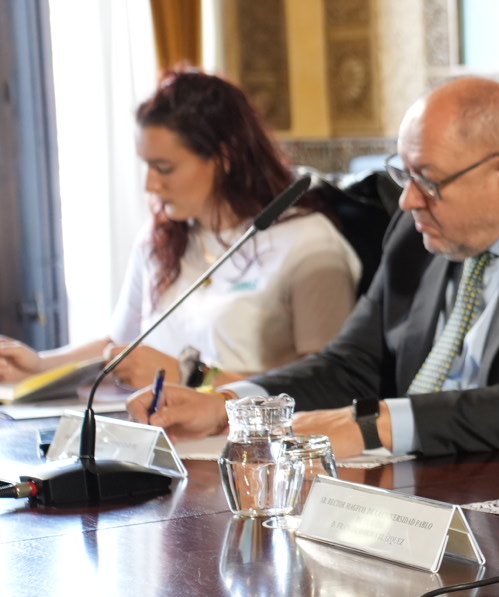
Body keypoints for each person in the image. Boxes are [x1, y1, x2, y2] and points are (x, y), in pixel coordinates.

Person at [131, 76, 499, 460]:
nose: (407, 200)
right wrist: (229, 405)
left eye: (427, 179)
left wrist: (376, 425)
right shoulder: (415, 231)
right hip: (445, 482)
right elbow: (351, 364)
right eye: (402, 174)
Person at [0, 69, 360, 391]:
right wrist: (41, 366)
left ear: (224, 157)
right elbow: (120, 345)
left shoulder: (310, 245)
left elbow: (324, 383)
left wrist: (194, 377)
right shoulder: (159, 238)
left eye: (165, 168)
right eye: (147, 166)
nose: (150, 185)